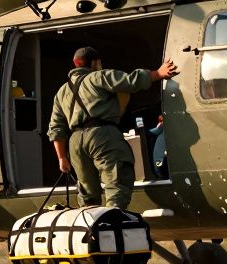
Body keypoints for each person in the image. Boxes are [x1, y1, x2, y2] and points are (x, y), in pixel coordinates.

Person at [46, 46, 178, 210]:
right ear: (95, 62)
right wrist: (158, 74)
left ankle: (92, 227)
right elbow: (130, 81)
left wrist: (61, 158)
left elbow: (56, 128)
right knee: (116, 181)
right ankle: (113, 221)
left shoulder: (62, 91)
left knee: (87, 194)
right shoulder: (98, 77)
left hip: (75, 143)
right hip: (102, 134)